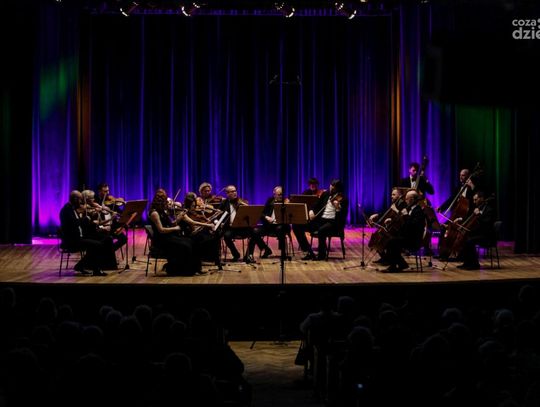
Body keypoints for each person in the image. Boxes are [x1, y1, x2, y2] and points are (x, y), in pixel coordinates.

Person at [148, 189, 201, 276]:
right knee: (186, 245)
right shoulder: (154, 213)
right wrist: (175, 228)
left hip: (168, 236)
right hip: (162, 239)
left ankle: (195, 268)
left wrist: (179, 217)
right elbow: (161, 230)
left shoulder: (162, 211)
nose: (167, 203)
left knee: (191, 241)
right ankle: (182, 270)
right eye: (165, 201)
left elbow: (171, 224)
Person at [293, 179, 348, 261]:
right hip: (321, 220)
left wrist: (337, 208)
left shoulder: (343, 199)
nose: (331, 188)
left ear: (338, 188)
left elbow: (342, 216)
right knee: (296, 226)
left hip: (333, 223)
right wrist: (311, 211)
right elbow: (316, 205)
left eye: (334, 187)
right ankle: (308, 251)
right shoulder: (326, 194)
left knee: (321, 230)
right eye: (331, 185)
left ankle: (321, 255)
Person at [59, 190, 109, 276]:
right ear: (75, 199)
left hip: (78, 237)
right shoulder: (67, 210)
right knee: (97, 245)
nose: (81, 202)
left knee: (100, 240)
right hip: (72, 241)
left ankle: (81, 265)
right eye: (80, 199)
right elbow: (74, 224)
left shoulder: (72, 208)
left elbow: (78, 223)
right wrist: (85, 219)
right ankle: (95, 270)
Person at [218, 185, 271, 263]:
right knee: (226, 236)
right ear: (227, 193)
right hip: (230, 228)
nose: (234, 193)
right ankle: (236, 254)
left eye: (235, 191)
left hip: (242, 228)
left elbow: (251, 213)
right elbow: (219, 215)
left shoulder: (242, 201)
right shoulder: (224, 203)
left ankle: (249, 255)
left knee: (255, 232)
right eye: (232, 191)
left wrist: (245, 206)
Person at [381, 190, 426, 273]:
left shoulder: (418, 211)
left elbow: (413, 227)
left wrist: (406, 216)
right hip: (407, 236)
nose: (405, 200)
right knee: (389, 239)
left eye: (407, 199)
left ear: (412, 199)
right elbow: (405, 223)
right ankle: (401, 264)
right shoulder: (410, 209)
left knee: (392, 242)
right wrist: (392, 221)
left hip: (413, 239)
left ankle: (394, 266)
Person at [244, 186, 290, 261]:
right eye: (279, 195)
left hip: (281, 226)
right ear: (274, 194)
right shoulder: (270, 201)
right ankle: (252, 254)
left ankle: (283, 254)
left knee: (280, 229)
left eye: (282, 194)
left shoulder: (286, 201)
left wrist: (287, 204)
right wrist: (266, 217)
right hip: (269, 226)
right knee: (254, 231)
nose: (281, 196)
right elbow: (262, 213)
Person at [456, 191, 496, 270]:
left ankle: (475, 264)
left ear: (481, 199)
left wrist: (478, 215)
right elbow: (470, 218)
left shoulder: (489, 210)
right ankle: (467, 263)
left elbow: (486, 223)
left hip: (486, 235)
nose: (474, 202)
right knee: (465, 239)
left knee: (469, 241)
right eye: (473, 200)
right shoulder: (479, 208)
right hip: (479, 233)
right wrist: (460, 219)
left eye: (476, 200)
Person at [181, 192, 222, 267]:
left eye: (194, 206)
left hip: (196, 232)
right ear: (188, 205)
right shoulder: (184, 213)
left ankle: (215, 259)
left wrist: (211, 217)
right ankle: (211, 259)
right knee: (212, 237)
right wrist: (207, 224)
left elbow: (197, 223)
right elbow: (193, 223)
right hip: (190, 235)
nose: (194, 208)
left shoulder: (192, 212)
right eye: (192, 206)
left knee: (214, 235)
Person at [368, 187, 406, 265]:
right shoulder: (394, 203)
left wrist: (394, 213)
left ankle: (387, 259)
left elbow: (402, 217)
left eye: (394, 195)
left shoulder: (403, 204)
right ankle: (384, 258)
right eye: (391, 194)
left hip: (398, 230)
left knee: (383, 239)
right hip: (390, 227)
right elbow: (386, 213)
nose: (391, 196)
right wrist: (377, 215)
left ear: (399, 196)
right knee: (376, 237)